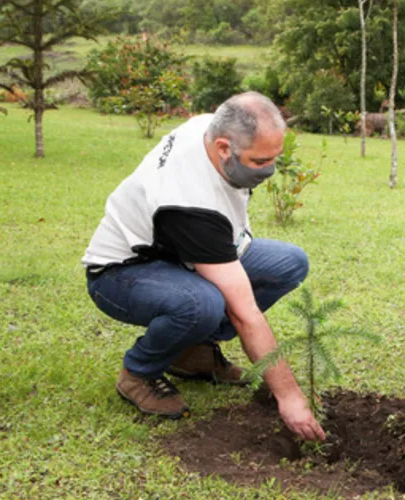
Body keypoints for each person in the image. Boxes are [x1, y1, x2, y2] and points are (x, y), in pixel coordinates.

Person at [83, 92, 325, 442]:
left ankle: (192, 353)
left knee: (288, 263)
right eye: (260, 162)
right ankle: (138, 372)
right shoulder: (189, 202)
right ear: (225, 148)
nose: (270, 171)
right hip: (124, 271)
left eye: (275, 158)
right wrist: (289, 395)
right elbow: (245, 313)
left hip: (183, 253)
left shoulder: (208, 127)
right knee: (203, 303)